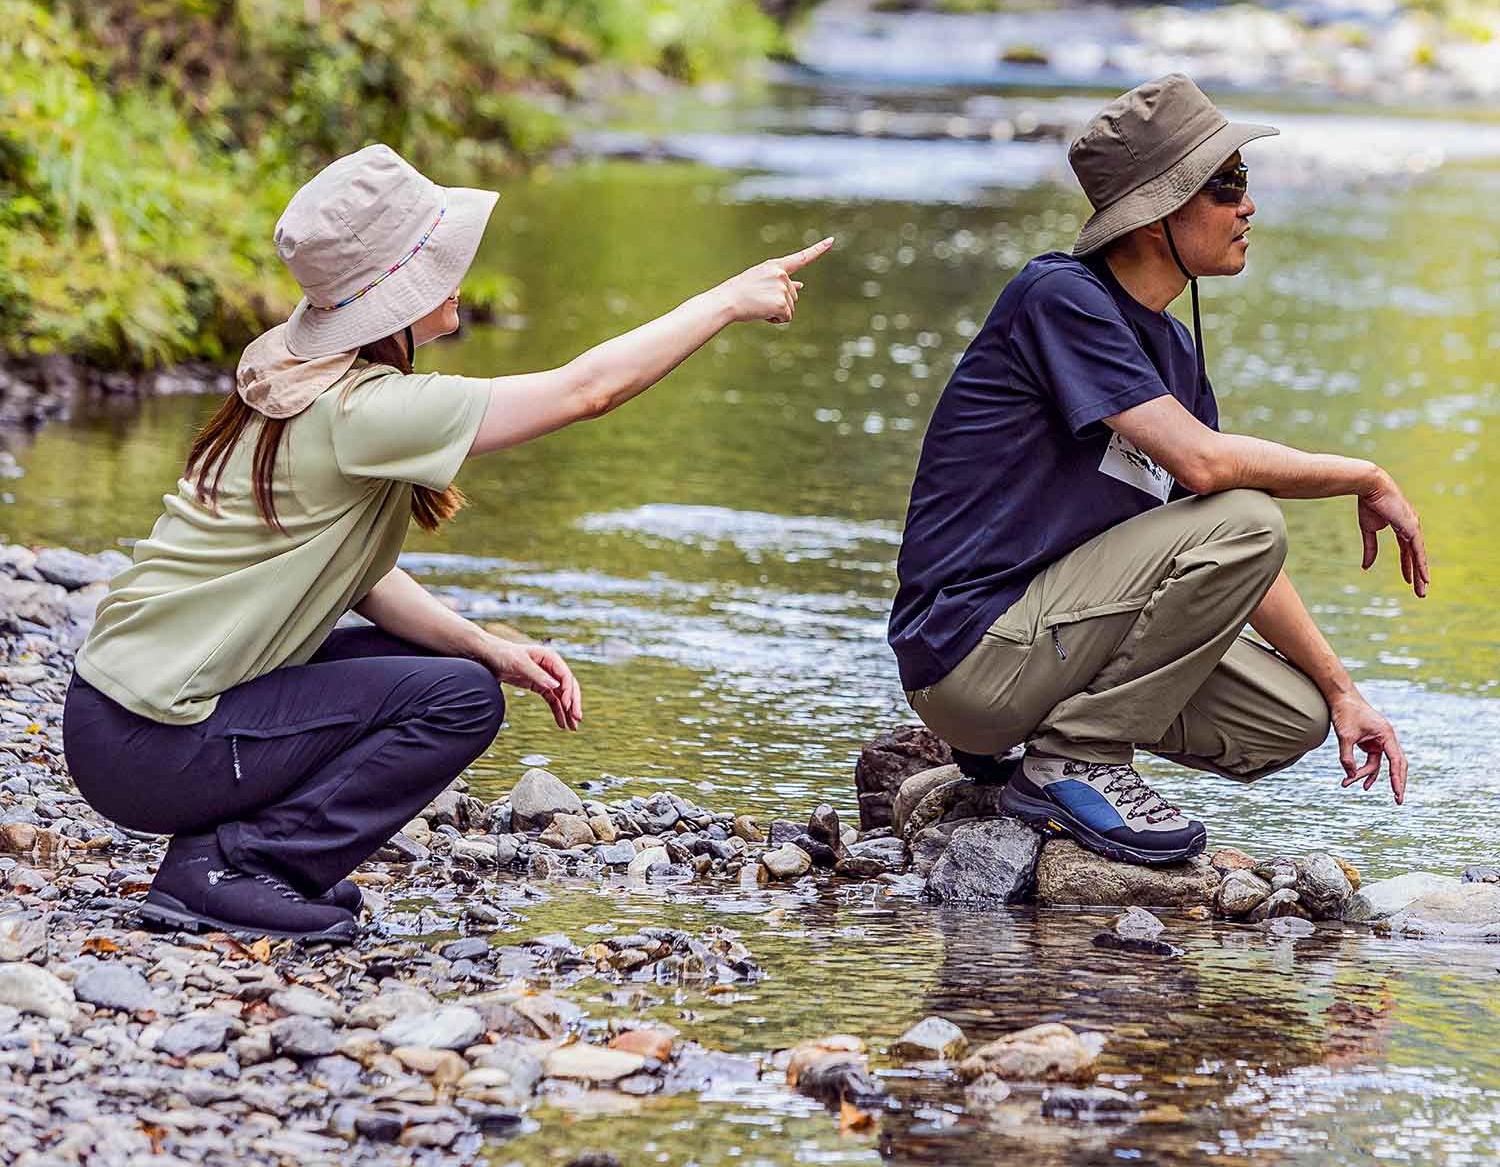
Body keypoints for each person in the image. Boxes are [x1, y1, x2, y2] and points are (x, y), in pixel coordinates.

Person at [63, 143, 833, 941]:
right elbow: (587, 391)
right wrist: (726, 301)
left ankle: (223, 859)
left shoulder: (303, 373)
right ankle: (237, 869)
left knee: (455, 670)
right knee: (457, 701)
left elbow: (359, 577)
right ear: (395, 293)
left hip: (123, 721)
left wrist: (485, 643)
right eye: (437, 259)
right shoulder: (364, 410)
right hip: (149, 741)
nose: (458, 274)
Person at [888, 74, 1427, 866]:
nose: (1249, 206)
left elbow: (1229, 557)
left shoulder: (1173, 353)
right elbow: (1209, 474)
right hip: (970, 656)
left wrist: (1345, 690)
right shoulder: (1058, 297)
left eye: (1244, 182)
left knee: (1288, 717)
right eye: (1226, 185)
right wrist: (1364, 475)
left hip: (1047, 645)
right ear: (1153, 215)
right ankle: (1073, 762)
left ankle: (1026, 757)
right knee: (1250, 514)